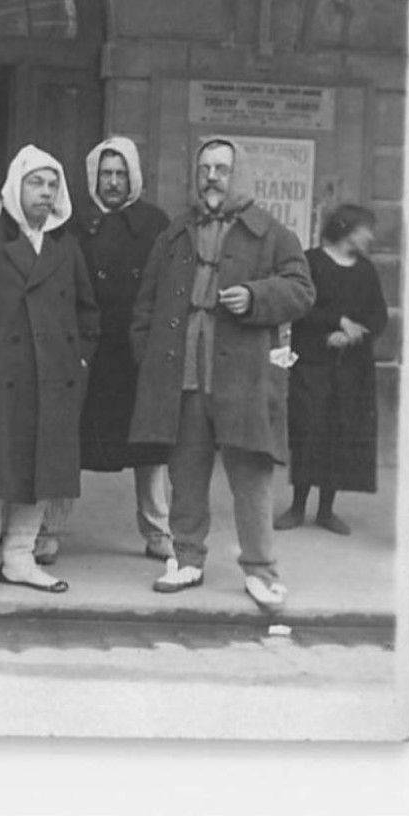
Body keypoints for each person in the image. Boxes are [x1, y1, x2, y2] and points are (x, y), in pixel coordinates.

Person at [129, 137, 315, 612]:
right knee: (185, 474)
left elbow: (301, 290)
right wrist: (148, 361)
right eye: (205, 168)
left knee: (251, 478)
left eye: (222, 169)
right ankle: (187, 558)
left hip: (245, 380)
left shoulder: (271, 233)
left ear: (240, 175)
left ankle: (260, 570)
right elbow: (146, 308)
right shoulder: (173, 234)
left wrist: (255, 296)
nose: (212, 177)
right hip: (183, 378)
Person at [0, 144, 99, 603]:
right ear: (15, 186)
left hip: (52, 382)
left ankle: (20, 559)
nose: (45, 193)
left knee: (39, 474)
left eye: (52, 184)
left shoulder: (66, 248)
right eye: (36, 183)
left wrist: (78, 361)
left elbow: (88, 313)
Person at [34, 137, 173, 565]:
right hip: (87, 349)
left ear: (133, 177)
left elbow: (165, 289)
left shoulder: (155, 224)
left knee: (149, 448)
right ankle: (50, 531)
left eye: (120, 174)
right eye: (105, 174)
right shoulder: (72, 223)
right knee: (68, 441)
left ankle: (158, 531)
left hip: (134, 349)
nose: (113, 183)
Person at [276, 203, 388, 536]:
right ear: (345, 228)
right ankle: (297, 507)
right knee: (309, 431)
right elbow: (298, 307)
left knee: (340, 433)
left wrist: (353, 334)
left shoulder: (366, 270)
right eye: (365, 229)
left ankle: (326, 510)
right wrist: (335, 322)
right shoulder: (311, 263)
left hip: (352, 370)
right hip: (312, 365)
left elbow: (378, 316)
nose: (370, 236)